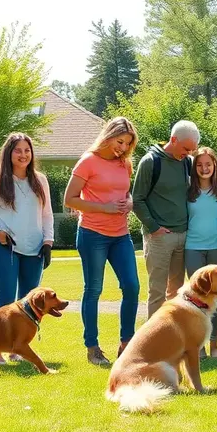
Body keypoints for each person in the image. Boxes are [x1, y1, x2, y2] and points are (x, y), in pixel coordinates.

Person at [65, 117, 140, 366]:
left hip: (120, 235)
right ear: (108, 136)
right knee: (94, 289)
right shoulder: (88, 161)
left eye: (128, 144)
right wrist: (104, 207)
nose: (123, 147)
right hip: (92, 234)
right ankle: (93, 347)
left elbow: (127, 193)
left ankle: (126, 344)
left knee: (131, 286)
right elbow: (70, 199)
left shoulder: (125, 164)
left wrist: (129, 203)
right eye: (120, 141)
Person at [0, 132, 55, 365]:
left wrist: (48, 241)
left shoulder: (40, 180)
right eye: (18, 150)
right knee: (6, 298)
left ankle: (17, 349)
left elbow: (47, 213)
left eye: (27, 150)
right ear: (9, 153)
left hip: (35, 249)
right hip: (5, 247)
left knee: (28, 304)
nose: (23, 155)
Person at [133, 120, 200, 318]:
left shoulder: (187, 163)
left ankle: (173, 340)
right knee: (157, 292)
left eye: (192, 150)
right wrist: (154, 228)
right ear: (173, 139)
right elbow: (137, 199)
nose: (188, 153)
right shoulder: (151, 162)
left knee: (177, 291)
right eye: (186, 148)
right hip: (159, 237)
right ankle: (154, 343)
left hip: (183, 235)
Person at [185, 146, 217, 358]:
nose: (204, 168)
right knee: (197, 296)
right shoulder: (187, 190)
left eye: (208, 165)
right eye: (199, 165)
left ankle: (214, 346)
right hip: (192, 246)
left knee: (215, 297)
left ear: (214, 166)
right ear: (194, 168)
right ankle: (198, 346)